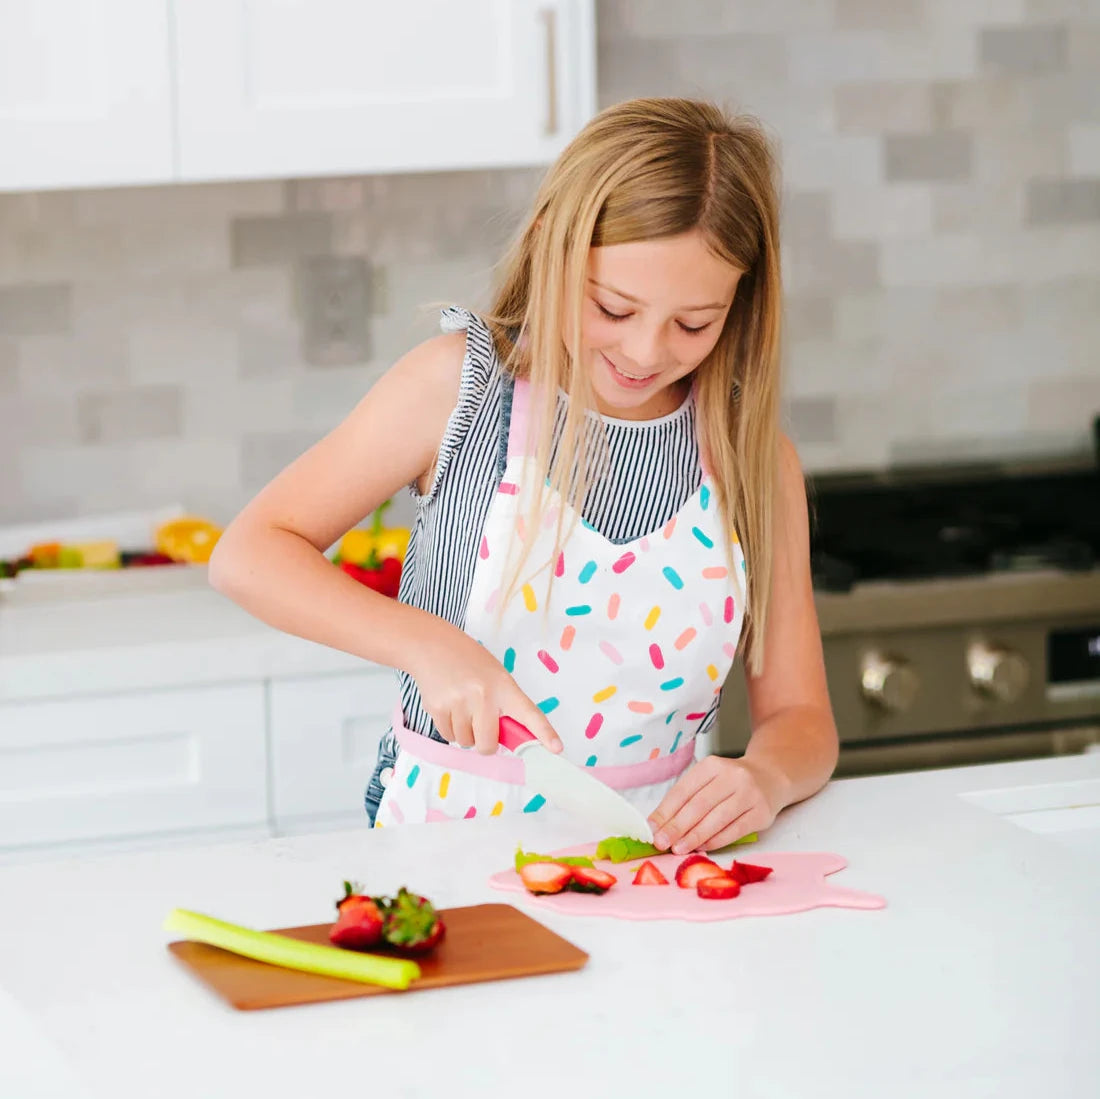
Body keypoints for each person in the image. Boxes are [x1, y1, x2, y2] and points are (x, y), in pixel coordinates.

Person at [209, 97, 839, 855]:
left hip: (655, 857)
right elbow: (250, 552)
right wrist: (428, 645)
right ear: (552, 244)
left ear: (741, 304)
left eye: (693, 323)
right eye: (614, 307)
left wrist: (765, 776)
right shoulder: (461, 390)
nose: (645, 351)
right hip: (448, 845)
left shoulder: (754, 458)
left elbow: (802, 718)